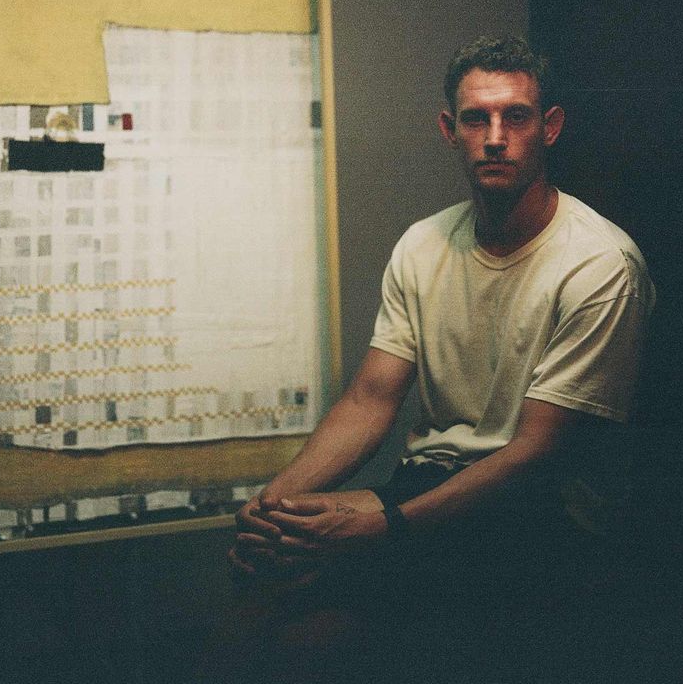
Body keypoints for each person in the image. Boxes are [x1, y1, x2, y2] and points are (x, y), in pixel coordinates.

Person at [218, 34, 655, 682]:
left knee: (318, 635)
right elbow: (372, 398)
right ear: (451, 131)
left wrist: (386, 525)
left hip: (546, 511)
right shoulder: (424, 244)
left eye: (517, 117)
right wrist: (276, 501)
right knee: (262, 575)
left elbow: (536, 450)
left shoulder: (599, 264)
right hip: (433, 481)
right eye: (477, 118)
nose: (496, 136)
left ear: (550, 128)